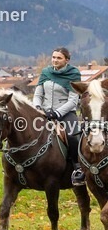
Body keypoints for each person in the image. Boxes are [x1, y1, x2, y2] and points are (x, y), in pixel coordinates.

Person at [32, 47, 85, 186]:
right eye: (53, 57)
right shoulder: (46, 72)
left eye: (59, 58)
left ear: (67, 60)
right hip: (43, 112)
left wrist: (56, 113)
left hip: (65, 113)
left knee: (73, 135)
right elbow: (38, 94)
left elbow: (73, 101)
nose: (55, 60)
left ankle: (78, 168)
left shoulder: (73, 74)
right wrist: (37, 108)